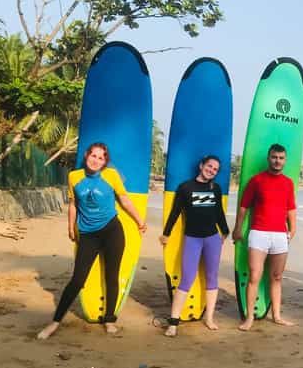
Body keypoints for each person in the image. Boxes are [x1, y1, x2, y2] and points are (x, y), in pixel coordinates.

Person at [37, 142, 146, 339]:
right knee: (78, 280)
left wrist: (139, 221)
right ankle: (55, 322)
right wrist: (71, 227)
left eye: (101, 157)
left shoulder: (111, 176)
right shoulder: (74, 176)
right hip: (87, 234)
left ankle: (110, 319)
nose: (96, 160)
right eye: (93, 156)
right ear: (87, 156)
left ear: (105, 162)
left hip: (112, 231)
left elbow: (124, 200)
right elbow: (73, 204)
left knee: (111, 276)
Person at [159, 155, 229, 336]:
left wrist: (225, 231)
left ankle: (210, 318)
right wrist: (166, 233)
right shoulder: (186, 188)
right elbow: (175, 212)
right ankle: (173, 322)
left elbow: (219, 213)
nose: (211, 170)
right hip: (193, 239)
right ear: (201, 166)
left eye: (215, 169)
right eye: (209, 166)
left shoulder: (216, 188)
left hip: (212, 239)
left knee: (212, 277)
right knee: (187, 278)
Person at [232, 143, 297, 331]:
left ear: (285, 160)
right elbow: (244, 206)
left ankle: (276, 315)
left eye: (281, 158)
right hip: (259, 233)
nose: (278, 161)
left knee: (276, 276)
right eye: (274, 157)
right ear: (269, 158)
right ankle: (249, 318)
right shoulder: (257, 181)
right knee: (254, 276)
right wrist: (238, 228)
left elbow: (290, 208)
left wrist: (293, 229)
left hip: (279, 235)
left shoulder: (288, 183)